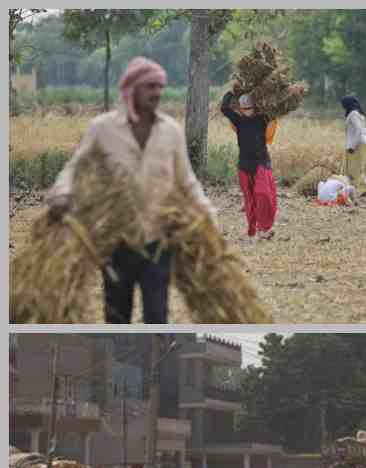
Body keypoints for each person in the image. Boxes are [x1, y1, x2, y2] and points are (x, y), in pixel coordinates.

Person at [46, 57, 214, 324]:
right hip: (116, 241)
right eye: (150, 86)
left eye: (160, 86)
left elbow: (187, 181)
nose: (157, 92)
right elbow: (75, 168)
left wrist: (207, 214)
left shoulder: (171, 132)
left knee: (157, 317)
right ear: (131, 88)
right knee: (116, 317)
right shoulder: (102, 129)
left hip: (158, 241)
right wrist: (62, 193)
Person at [221, 90, 278, 240]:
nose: (247, 111)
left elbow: (276, 110)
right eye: (244, 109)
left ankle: (264, 227)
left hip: (261, 162)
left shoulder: (262, 119)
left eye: (250, 108)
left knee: (263, 194)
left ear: (254, 107)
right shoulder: (238, 120)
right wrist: (231, 92)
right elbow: (224, 108)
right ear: (240, 109)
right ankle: (255, 229)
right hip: (244, 164)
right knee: (250, 199)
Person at [341, 95, 366, 195]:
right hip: (360, 143)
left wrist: (352, 146)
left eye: (344, 105)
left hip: (357, 144)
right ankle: (361, 190)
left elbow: (358, 130)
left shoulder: (353, 114)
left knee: (354, 169)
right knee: (354, 168)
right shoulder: (358, 114)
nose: (343, 107)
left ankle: (363, 190)